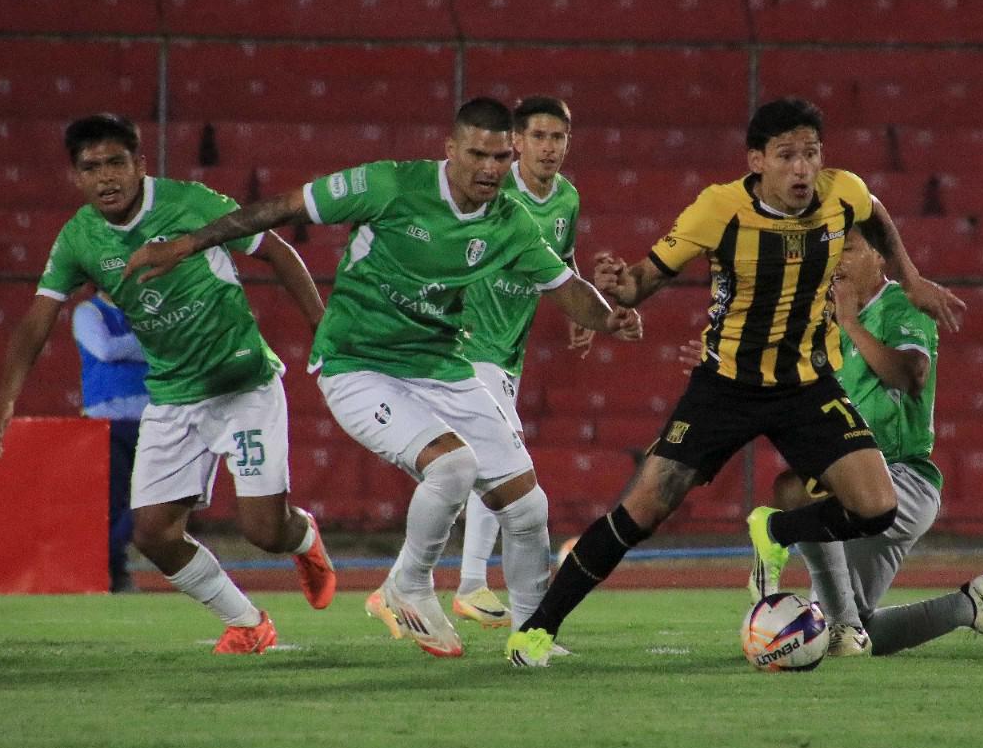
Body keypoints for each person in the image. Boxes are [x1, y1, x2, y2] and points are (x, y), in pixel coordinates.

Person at [122, 97, 643, 659]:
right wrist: (187, 243)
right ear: (450, 150)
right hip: (357, 364)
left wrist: (608, 317)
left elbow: (564, 287)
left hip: (441, 364)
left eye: (498, 156)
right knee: (455, 465)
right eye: (477, 154)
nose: (490, 168)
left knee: (528, 507)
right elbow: (283, 207)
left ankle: (530, 636)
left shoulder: (508, 221)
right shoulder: (391, 185)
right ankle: (408, 584)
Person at [505, 96, 966, 666]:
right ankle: (536, 629)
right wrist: (616, 292)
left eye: (812, 154)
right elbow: (643, 280)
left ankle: (775, 528)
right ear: (757, 161)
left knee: (877, 508)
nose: (803, 168)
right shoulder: (718, 210)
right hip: (725, 385)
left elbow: (875, 211)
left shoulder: (840, 190)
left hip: (805, 384)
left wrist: (912, 278)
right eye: (787, 155)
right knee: (643, 509)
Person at [0, 113, 336, 655]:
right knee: (153, 534)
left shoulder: (190, 202)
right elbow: (39, 316)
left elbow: (276, 251)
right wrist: (6, 395)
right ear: (76, 177)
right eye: (90, 167)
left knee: (265, 531)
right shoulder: (79, 237)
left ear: (139, 164)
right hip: (172, 397)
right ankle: (247, 622)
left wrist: (320, 323)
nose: (105, 177)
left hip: (243, 386)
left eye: (115, 163)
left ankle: (304, 537)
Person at [681, 224, 983, 657]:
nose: (836, 260)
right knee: (852, 627)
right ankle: (969, 605)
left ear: (880, 257)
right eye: (832, 252)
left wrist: (850, 322)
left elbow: (911, 375)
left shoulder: (902, 306)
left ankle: (824, 600)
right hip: (858, 485)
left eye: (850, 249)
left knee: (793, 491)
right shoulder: (823, 322)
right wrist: (722, 365)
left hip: (902, 481)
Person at [448, 95, 592, 630]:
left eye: (558, 138)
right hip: (468, 344)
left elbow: (564, 260)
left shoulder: (566, 201)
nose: (548, 148)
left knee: (475, 467)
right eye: (538, 137)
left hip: (511, 351)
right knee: (508, 466)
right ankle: (470, 585)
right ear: (516, 142)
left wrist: (578, 309)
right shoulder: (492, 188)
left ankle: (405, 582)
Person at [72, 290, 149, 593]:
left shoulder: (145, 307)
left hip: (150, 418)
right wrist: (146, 343)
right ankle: (115, 568)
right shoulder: (88, 312)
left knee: (151, 497)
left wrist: (127, 348)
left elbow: (170, 346)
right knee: (114, 501)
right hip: (106, 421)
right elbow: (104, 349)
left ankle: (105, 556)